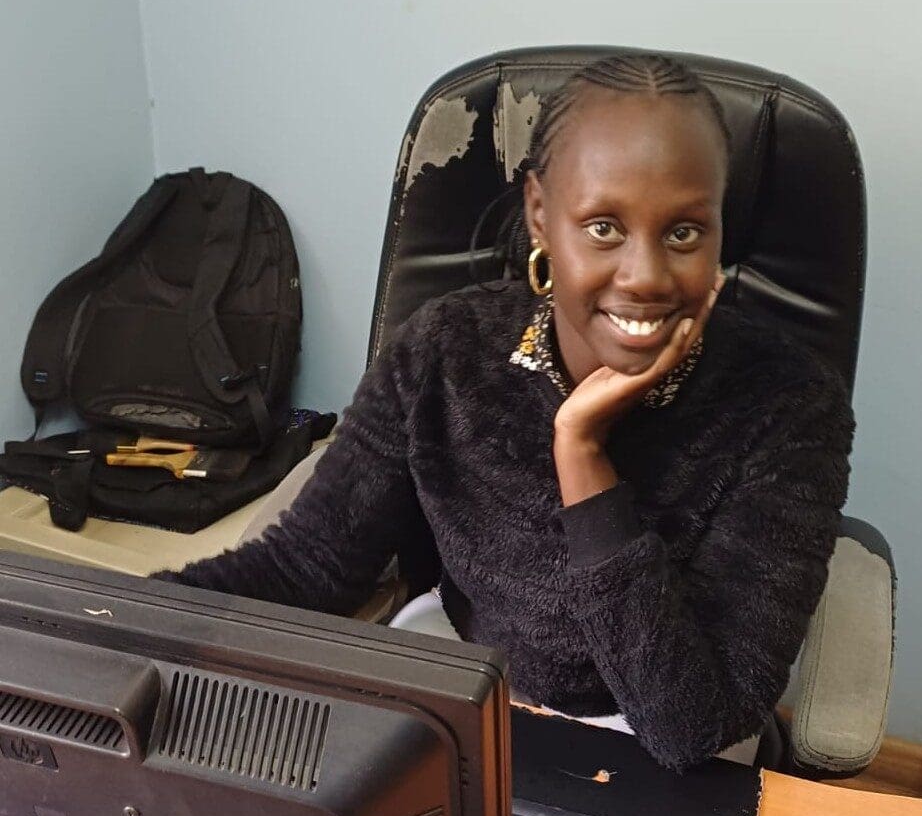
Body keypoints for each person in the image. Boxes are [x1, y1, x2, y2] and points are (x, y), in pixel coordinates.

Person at [152, 54, 854, 772]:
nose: (645, 275)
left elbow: (690, 726)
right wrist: (112, 618)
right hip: (460, 688)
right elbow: (313, 564)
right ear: (541, 215)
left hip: (664, 755)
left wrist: (583, 454)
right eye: (605, 226)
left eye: (683, 234)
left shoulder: (788, 405)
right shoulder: (445, 349)